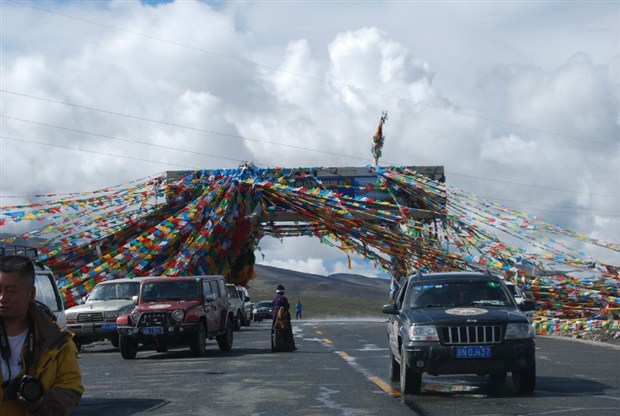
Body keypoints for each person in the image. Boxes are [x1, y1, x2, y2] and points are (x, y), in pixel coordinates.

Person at [0, 255, 84, 416]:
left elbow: (71, 392)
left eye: (11, 291)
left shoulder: (57, 341)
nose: (2, 298)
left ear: (31, 294)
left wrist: (40, 403)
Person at [271, 285, 295, 352]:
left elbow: (273, 307)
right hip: (283, 318)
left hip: (275, 318)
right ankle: (288, 347)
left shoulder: (274, 299)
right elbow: (286, 308)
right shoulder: (284, 299)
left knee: (276, 333)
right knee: (287, 332)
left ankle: (276, 347)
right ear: (283, 292)